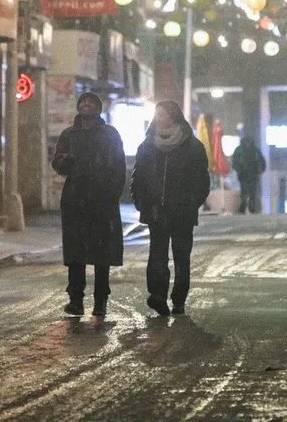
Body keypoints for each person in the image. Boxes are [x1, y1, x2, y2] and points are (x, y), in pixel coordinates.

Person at [131, 101, 210, 316]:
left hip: (183, 212)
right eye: (157, 114)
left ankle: (179, 300)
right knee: (157, 257)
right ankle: (158, 296)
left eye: (163, 114)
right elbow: (138, 178)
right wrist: (142, 202)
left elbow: (202, 181)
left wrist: (191, 203)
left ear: (174, 116)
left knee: (181, 257)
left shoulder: (193, 147)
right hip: (156, 211)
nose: (159, 118)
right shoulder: (147, 146)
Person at [51, 92, 126, 317]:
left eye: (91, 102)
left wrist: (112, 196)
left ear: (99, 109)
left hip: (102, 201)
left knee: (101, 253)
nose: (86, 105)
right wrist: (65, 160)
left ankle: (100, 301)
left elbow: (119, 167)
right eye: (83, 101)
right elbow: (58, 164)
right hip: (75, 201)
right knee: (76, 253)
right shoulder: (69, 135)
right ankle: (75, 300)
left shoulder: (110, 134)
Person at [231, 136, 267, 214]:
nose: (248, 143)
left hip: (252, 174)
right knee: (246, 192)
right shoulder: (241, 150)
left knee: (251, 192)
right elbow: (234, 161)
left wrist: (261, 170)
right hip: (245, 174)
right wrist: (238, 169)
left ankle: (250, 208)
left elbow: (261, 160)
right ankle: (245, 207)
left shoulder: (254, 150)